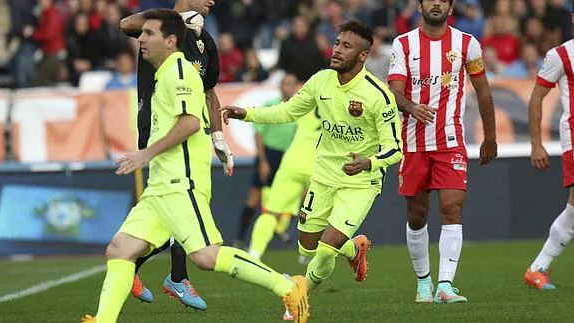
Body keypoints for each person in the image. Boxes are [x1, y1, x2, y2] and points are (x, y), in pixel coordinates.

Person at [81, 9, 309, 323]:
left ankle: (288, 287)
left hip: (181, 181)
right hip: (160, 186)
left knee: (205, 256)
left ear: (171, 40)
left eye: (150, 34)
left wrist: (147, 154)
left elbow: (189, 123)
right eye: (142, 34)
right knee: (119, 250)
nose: (142, 40)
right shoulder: (163, 72)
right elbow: (126, 25)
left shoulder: (180, 72)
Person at [222, 21, 402, 318]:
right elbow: (288, 111)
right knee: (308, 247)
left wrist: (368, 163)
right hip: (323, 176)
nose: (337, 50)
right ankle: (354, 251)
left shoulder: (378, 96)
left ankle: (298, 297)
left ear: (362, 56)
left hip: (360, 182)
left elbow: (396, 148)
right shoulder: (321, 81)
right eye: (337, 43)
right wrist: (247, 113)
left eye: (346, 46)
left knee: (326, 249)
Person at [119, 0, 234, 309]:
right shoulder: (162, 30)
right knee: (182, 204)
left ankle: (138, 264)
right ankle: (175, 276)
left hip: (192, 135)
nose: (212, 1)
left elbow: (209, 92)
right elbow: (126, 24)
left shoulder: (204, 39)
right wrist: (174, 19)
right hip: (161, 129)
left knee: (182, 205)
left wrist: (219, 137)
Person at [387, 0, 497, 304]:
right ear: (420, 5)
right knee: (417, 214)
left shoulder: (467, 44)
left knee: (452, 210)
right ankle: (423, 283)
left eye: (443, 0)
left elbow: (483, 90)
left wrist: (490, 137)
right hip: (413, 143)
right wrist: (410, 106)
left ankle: (445, 285)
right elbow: (393, 90)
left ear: (450, 7)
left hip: (451, 143)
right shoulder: (403, 44)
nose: (436, 3)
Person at [523, 11, 574, 290]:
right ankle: (538, 267)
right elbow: (536, 97)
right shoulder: (562, 55)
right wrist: (536, 142)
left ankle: (538, 268)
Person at [247, 102, 321, 261]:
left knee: (271, 212)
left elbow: (282, 114)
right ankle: (310, 253)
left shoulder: (308, 98)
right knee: (320, 214)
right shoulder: (340, 101)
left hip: (292, 163)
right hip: (320, 166)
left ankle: (254, 253)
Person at [234, 73, 298, 249]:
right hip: (268, 155)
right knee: (254, 199)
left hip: (287, 157)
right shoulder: (271, 105)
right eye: (286, 84)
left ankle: (281, 229)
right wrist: (262, 160)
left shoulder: (299, 109)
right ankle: (240, 238)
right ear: (280, 87)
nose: (289, 87)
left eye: (292, 84)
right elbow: (258, 133)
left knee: (293, 195)